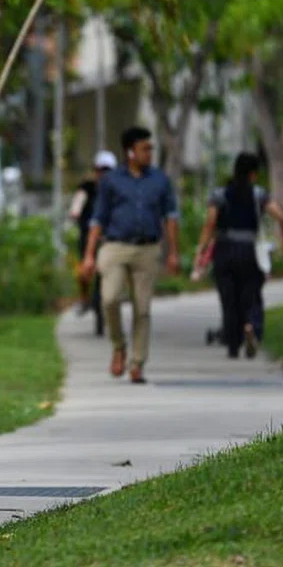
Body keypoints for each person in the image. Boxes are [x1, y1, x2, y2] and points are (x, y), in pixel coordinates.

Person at [81, 127, 181, 384]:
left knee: (143, 308)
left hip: (147, 248)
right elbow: (97, 218)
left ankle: (137, 363)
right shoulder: (112, 181)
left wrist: (173, 253)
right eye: (144, 148)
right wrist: (89, 255)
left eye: (151, 148)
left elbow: (170, 217)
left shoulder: (160, 180)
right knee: (110, 299)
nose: (149, 153)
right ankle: (118, 346)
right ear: (130, 152)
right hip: (115, 246)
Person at [193, 152, 283, 359]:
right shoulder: (258, 195)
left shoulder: (219, 195)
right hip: (249, 251)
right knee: (252, 294)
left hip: (224, 250)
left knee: (229, 298)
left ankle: (233, 344)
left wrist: (201, 252)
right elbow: (281, 216)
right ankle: (251, 325)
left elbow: (210, 223)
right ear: (253, 174)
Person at [69, 150, 118, 319]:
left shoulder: (117, 190)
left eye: (108, 170)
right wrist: (75, 211)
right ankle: (84, 297)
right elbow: (77, 204)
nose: (104, 174)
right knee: (83, 270)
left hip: (110, 237)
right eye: (101, 170)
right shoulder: (87, 188)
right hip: (87, 235)